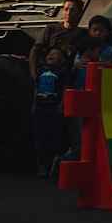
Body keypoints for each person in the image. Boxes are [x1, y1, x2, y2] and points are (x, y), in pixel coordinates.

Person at [51, 36, 103, 178]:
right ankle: (64, 162)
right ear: (89, 51)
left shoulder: (80, 65)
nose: (99, 55)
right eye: (97, 52)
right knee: (89, 142)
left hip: (84, 107)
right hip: (86, 108)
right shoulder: (88, 67)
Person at [32, 46, 69, 178]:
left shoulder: (62, 71)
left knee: (56, 136)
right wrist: (34, 104)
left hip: (54, 106)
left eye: (55, 54)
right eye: (49, 54)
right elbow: (36, 88)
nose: (51, 55)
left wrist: (62, 103)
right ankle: (42, 165)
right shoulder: (40, 70)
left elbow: (65, 87)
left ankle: (58, 164)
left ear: (63, 59)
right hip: (40, 106)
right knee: (40, 137)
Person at [29, 0, 85, 79]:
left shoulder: (82, 34)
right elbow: (35, 50)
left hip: (68, 76)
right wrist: (33, 72)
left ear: (80, 13)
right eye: (66, 9)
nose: (68, 13)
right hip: (48, 75)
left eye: (72, 10)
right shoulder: (51, 29)